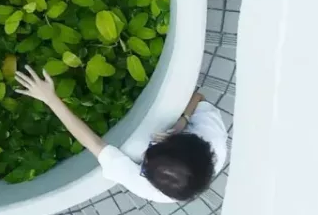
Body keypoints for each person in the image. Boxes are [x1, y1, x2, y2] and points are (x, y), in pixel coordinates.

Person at [14, 66, 227, 203]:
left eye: (145, 165)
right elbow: (198, 96)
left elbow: (93, 143)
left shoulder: (145, 186)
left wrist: (50, 98)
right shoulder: (212, 138)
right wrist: (183, 121)